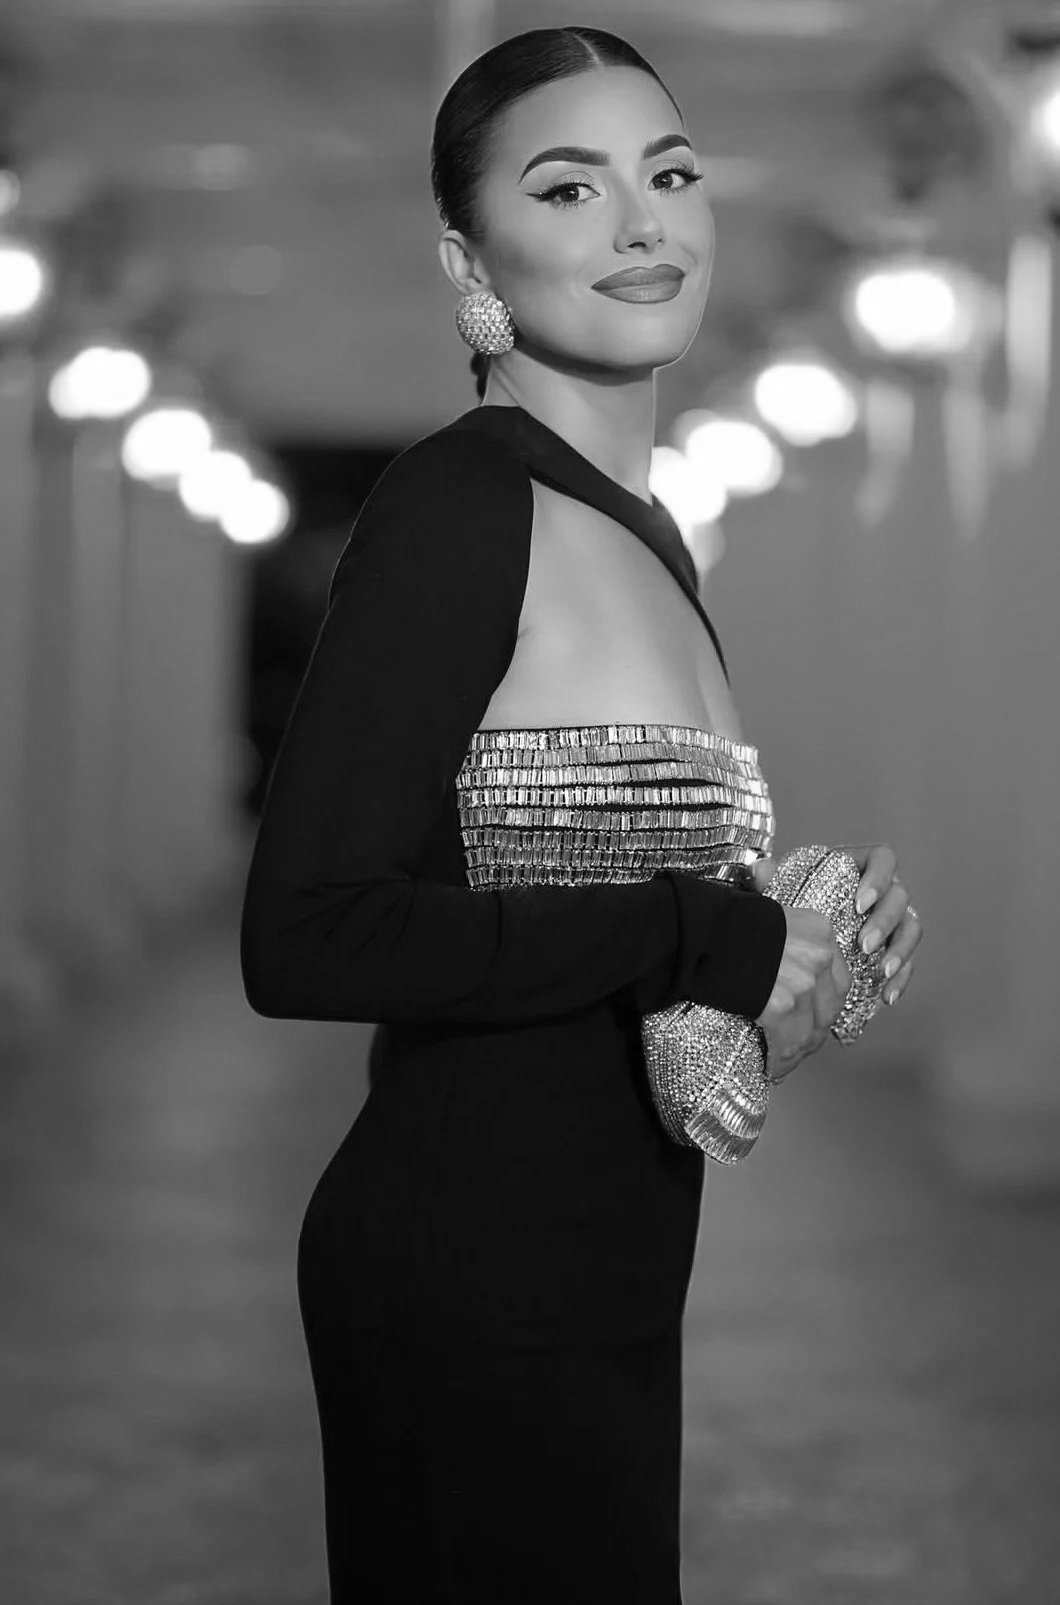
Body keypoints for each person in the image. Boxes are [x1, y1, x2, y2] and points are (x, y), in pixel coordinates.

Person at [239, 25, 922, 1604]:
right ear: (470, 262)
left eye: (670, 173)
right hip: (466, 1273)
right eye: (571, 187)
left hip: (603, 1269)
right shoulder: (459, 508)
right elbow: (308, 931)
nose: (642, 222)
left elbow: (620, 975)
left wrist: (808, 947)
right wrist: (707, 928)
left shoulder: (646, 537)